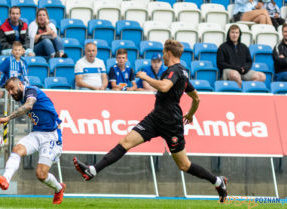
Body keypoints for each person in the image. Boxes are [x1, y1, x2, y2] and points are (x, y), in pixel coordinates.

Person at [73, 39, 229, 203]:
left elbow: (164, 87)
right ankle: (93, 170)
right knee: (126, 141)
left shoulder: (174, 71)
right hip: (155, 118)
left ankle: (218, 182)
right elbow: (196, 98)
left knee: (184, 165)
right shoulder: (183, 72)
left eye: (163, 53)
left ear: (168, 53)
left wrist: (146, 77)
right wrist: (190, 114)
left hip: (171, 124)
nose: (162, 56)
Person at [0, 77, 65, 204]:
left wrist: (8, 117)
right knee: (17, 149)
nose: (11, 93)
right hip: (37, 133)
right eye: (8, 91)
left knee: (41, 174)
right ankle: (5, 179)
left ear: (20, 84)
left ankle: (59, 188)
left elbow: (29, 105)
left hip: (52, 135)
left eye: (12, 88)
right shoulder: (22, 96)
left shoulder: (31, 90)